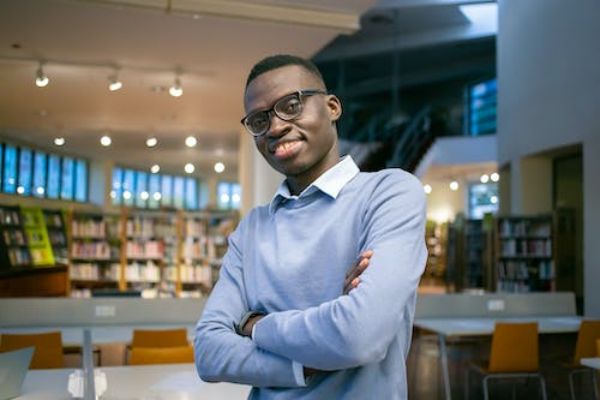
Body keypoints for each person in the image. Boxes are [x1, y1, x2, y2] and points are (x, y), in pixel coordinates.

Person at [195, 54, 427, 399]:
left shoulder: (389, 193)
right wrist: (303, 364)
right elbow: (209, 352)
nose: (275, 127)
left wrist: (255, 325)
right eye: (259, 120)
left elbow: (359, 334)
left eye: (291, 106)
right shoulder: (252, 229)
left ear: (332, 107)